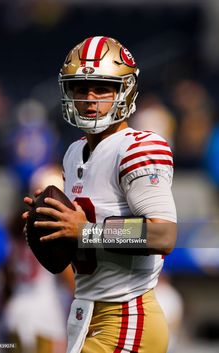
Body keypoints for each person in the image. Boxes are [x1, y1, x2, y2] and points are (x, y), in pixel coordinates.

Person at [23, 36, 177, 353]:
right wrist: (51, 225)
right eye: (81, 88)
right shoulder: (73, 152)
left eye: (102, 88)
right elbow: (75, 235)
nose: (90, 98)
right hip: (84, 313)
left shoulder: (139, 147)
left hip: (126, 316)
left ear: (126, 91)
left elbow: (163, 234)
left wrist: (86, 231)